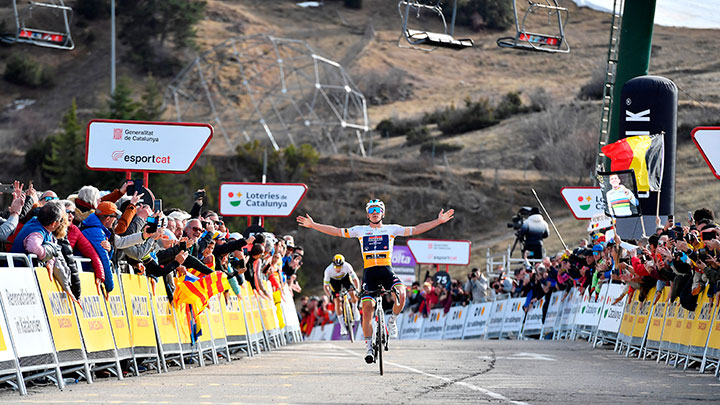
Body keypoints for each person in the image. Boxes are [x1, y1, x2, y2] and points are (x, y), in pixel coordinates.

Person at [297, 198, 454, 364]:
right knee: (367, 308)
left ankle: (392, 320)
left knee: (401, 294)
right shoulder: (360, 230)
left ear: (383, 213)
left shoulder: (391, 229)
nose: (374, 213)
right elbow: (336, 231)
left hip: (386, 270)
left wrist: (438, 221)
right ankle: (368, 346)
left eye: (377, 210)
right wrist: (314, 225)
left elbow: (416, 229)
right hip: (370, 273)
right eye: (371, 210)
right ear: (367, 214)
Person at [322, 254, 361, 335]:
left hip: (345, 279)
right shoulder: (328, 270)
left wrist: (357, 290)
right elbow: (325, 286)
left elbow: (355, 279)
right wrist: (330, 296)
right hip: (334, 282)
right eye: (336, 267)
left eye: (340, 267)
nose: (338, 269)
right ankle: (342, 326)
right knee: (337, 301)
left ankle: (354, 309)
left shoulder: (347, 266)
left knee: (352, 293)